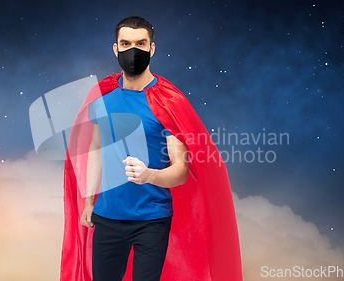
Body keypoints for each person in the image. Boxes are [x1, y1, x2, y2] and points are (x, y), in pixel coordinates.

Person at [60, 16, 242, 281]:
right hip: (107, 217)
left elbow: (181, 170)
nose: (133, 50)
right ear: (116, 48)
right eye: (126, 43)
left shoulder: (167, 102)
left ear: (151, 48)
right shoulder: (102, 98)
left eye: (141, 43)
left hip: (152, 219)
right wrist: (89, 201)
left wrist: (149, 175)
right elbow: (96, 149)